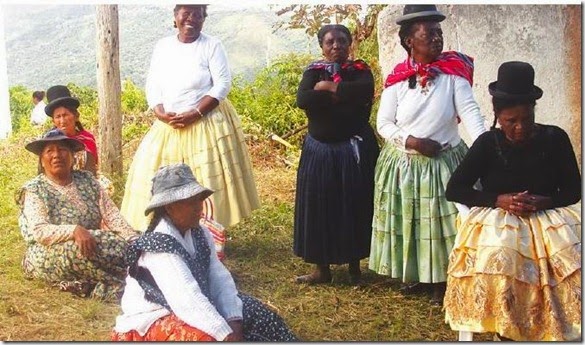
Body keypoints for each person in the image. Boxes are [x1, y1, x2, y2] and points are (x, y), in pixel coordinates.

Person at [443, 61, 581, 341]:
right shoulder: (487, 143)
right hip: (499, 219)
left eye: (526, 120)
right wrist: (498, 200)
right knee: (504, 259)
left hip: (548, 217)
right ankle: (507, 330)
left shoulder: (555, 138)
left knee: (568, 261)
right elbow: (455, 189)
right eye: (511, 122)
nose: (520, 128)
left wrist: (545, 201)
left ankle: (559, 326)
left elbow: (573, 190)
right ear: (497, 116)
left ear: (534, 112)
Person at [368, 5, 487, 304]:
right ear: (409, 40)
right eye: (429, 34)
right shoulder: (397, 79)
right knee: (414, 221)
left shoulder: (453, 75)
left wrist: (488, 146)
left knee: (443, 223)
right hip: (406, 163)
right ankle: (419, 275)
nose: (437, 39)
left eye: (439, 33)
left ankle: (444, 280)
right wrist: (412, 141)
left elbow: (470, 114)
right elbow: (384, 123)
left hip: (444, 162)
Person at [111, 163, 298, 341]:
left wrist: (234, 319)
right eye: (190, 201)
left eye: (199, 199)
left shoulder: (200, 233)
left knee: (257, 314)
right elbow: (186, 299)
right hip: (154, 318)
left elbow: (219, 277)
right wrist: (224, 333)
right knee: (205, 338)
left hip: (195, 305)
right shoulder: (159, 248)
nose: (199, 206)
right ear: (169, 207)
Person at [121, 4, 259, 232]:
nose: (191, 19)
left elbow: (222, 84)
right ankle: (166, 231)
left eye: (198, 14)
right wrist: (160, 113)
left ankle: (209, 234)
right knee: (162, 179)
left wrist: (196, 113)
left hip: (204, 123)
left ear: (204, 19)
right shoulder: (163, 46)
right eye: (186, 13)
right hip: (170, 125)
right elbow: (153, 84)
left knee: (205, 181)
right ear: (175, 17)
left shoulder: (212, 45)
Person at [293, 24, 380, 285]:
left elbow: (363, 92)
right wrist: (342, 96)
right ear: (322, 46)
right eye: (330, 42)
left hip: (354, 151)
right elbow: (303, 99)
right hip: (319, 152)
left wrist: (329, 89)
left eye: (342, 41)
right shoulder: (313, 72)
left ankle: (355, 268)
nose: (336, 46)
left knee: (354, 204)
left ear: (350, 44)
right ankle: (322, 269)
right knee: (320, 206)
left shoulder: (361, 71)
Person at [16, 129, 139, 299]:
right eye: (49, 151)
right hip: (48, 251)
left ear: (73, 156)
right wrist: (74, 230)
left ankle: (129, 274)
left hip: (93, 241)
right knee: (80, 251)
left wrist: (133, 240)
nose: (57, 155)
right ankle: (134, 283)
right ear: (42, 161)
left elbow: (112, 215)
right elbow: (40, 231)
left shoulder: (88, 180)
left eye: (63, 149)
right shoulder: (34, 189)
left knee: (125, 244)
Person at [45, 85, 98, 177]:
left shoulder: (87, 139)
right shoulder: (47, 142)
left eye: (65, 115)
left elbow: (92, 169)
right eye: (58, 117)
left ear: (76, 116)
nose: (62, 121)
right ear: (53, 121)